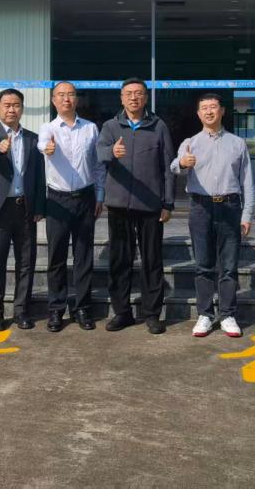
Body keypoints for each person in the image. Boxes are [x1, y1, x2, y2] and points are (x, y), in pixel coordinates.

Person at [96, 77, 175, 334]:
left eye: (139, 93)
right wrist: (112, 152)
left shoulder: (158, 126)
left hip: (151, 205)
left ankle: (151, 314)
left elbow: (168, 167)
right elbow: (98, 153)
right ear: (121, 98)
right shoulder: (110, 126)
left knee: (152, 261)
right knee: (120, 260)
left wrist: (168, 202)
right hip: (119, 205)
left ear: (146, 98)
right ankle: (122, 312)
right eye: (129, 93)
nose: (134, 97)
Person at [172, 92, 255, 338]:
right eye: (204, 108)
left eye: (213, 107)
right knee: (203, 264)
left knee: (229, 265)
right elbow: (174, 167)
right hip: (201, 208)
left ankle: (228, 314)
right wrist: (183, 163)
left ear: (222, 111)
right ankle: (206, 315)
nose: (209, 111)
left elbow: (247, 182)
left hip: (230, 206)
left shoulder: (237, 143)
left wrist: (247, 214)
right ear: (199, 114)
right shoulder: (190, 143)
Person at [0, 88, 46, 332]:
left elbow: (39, 176)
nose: (11, 109)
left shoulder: (33, 138)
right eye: (7, 105)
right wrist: (0, 147)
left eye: (16, 105)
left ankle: (22, 311)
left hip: (25, 209)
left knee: (26, 263)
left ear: (22, 109)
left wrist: (40, 206)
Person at [38, 81, 106, 332]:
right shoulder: (48, 128)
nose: (66, 98)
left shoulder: (90, 128)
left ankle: (82, 308)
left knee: (83, 256)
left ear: (77, 99)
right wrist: (47, 148)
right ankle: (56, 309)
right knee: (56, 256)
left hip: (85, 198)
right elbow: (41, 144)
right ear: (53, 100)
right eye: (61, 95)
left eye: (70, 95)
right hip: (57, 199)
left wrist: (100, 195)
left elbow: (98, 164)